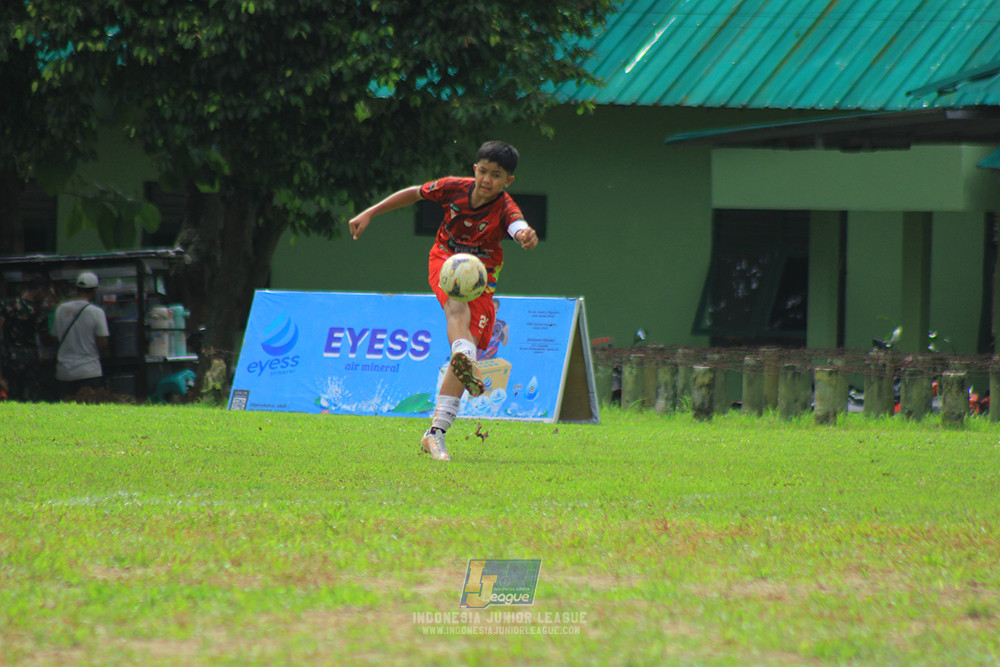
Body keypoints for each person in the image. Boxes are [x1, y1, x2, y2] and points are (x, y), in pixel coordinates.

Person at [349, 140, 539, 462]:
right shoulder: (453, 188)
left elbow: (517, 225)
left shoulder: (505, 207)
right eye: (483, 171)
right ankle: (464, 354)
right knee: (456, 305)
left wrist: (525, 235)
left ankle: (434, 433)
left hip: (484, 275)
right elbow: (414, 193)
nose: (487, 180)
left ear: (508, 181)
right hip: (445, 258)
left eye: (496, 175)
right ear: (474, 169)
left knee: (471, 341)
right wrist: (371, 212)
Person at [53, 271, 110, 400]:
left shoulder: (61, 309)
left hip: (64, 371)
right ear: (95, 290)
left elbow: (55, 337)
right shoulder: (97, 312)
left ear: (76, 288)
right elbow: (102, 343)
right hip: (89, 371)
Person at [0, 275, 56, 402]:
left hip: (9, 357)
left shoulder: (7, 305)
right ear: (40, 290)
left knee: (11, 395)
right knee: (28, 395)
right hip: (30, 358)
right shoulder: (38, 312)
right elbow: (45, 340)